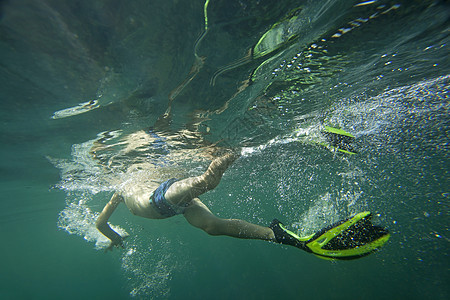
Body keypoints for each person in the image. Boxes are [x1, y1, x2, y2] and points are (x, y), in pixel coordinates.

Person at [96, 152, 277, 250]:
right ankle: (272, 234)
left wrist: (116, 239)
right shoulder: (120, 190)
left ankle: (239, 148)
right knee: (212, 227)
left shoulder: (121, 189)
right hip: (177, 205)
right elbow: (101, 223)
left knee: (207, 181)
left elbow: (101, 223)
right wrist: (116, 239)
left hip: (158, 199)